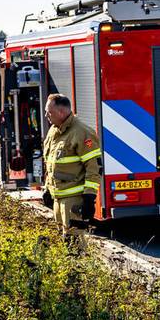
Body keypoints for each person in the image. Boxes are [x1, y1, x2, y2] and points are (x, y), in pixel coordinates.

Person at [41, 94, 101, 232]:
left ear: (61, 112)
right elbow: (51, 163)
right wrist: (47, 189)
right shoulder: (54, 131)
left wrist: (89, 197)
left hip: (73, 201)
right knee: (64, 245)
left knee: (75, 244)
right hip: (58, 199)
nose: (46, 116)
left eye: (49, 112)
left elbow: (94, 168)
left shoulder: (82, 133)